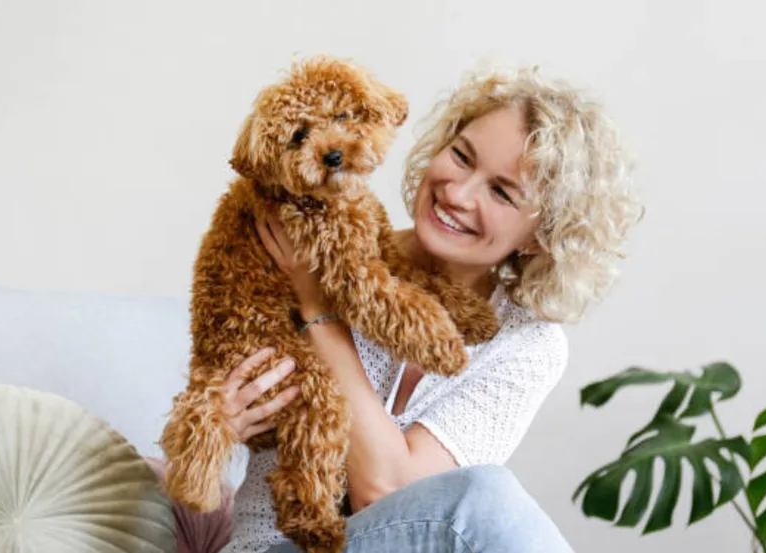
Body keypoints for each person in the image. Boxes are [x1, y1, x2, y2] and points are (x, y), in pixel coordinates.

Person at [212, 63, 643, 552]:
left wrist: (317, 309)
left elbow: (393, 491)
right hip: (278, 546)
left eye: (501, 192)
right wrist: (224, 419)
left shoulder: (527, 345)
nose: (457, 193)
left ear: (542, 238)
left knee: (482, 498)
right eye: (461, 156)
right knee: (482, 498)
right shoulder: (316, 254)